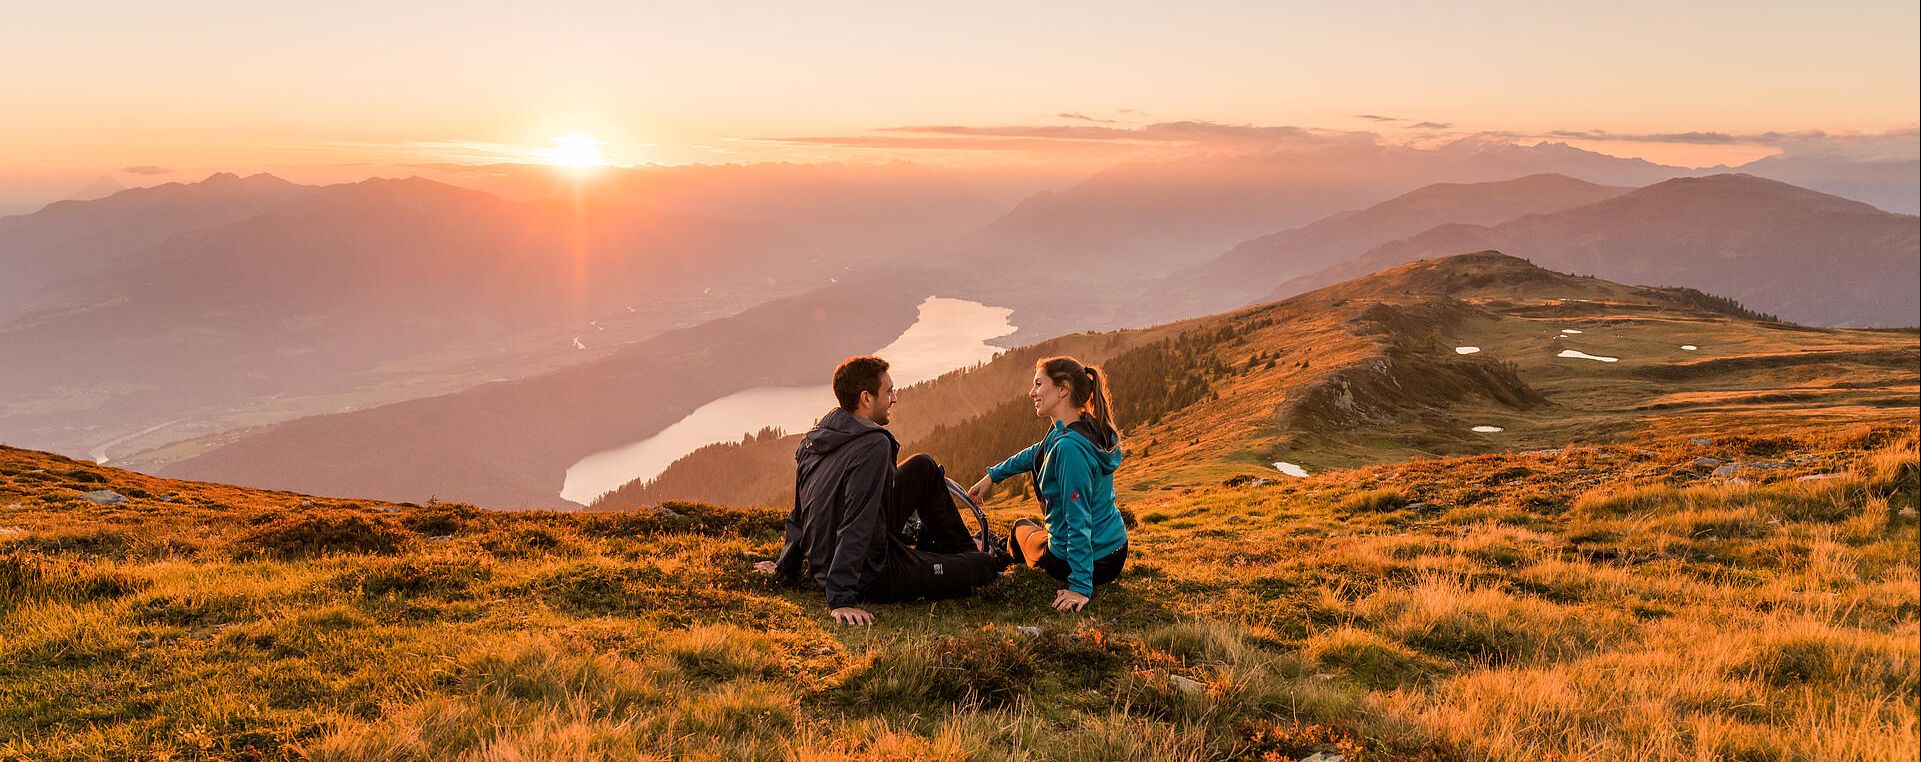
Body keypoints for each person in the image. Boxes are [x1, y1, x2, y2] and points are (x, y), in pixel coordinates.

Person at [756, 355, 1008, 626]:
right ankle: (970, 559)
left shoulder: (814, 439)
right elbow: (857, 520)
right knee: (983, 567)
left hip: (837, 556)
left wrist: (785, 567)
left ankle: (961, 551)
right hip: (869, 572)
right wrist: (841, 598)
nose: (894, 398)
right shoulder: (873, 446)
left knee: (923, 466)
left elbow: (799, 513)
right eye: (888, 392)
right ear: (866, 398)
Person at [967, 356, 1128, 612]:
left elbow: (1079, 519)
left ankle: (1000, 552)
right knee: (1033, 528)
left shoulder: (1069, 448)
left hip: (1092, 562)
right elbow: (1037, 452)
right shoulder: (1083, 427)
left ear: (1063, 389)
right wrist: (993, 476)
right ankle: (1002, 547)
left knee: (1020, 528)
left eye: (1039, 384)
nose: (1032, 392)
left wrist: (1080, 587)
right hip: (1115, 548)